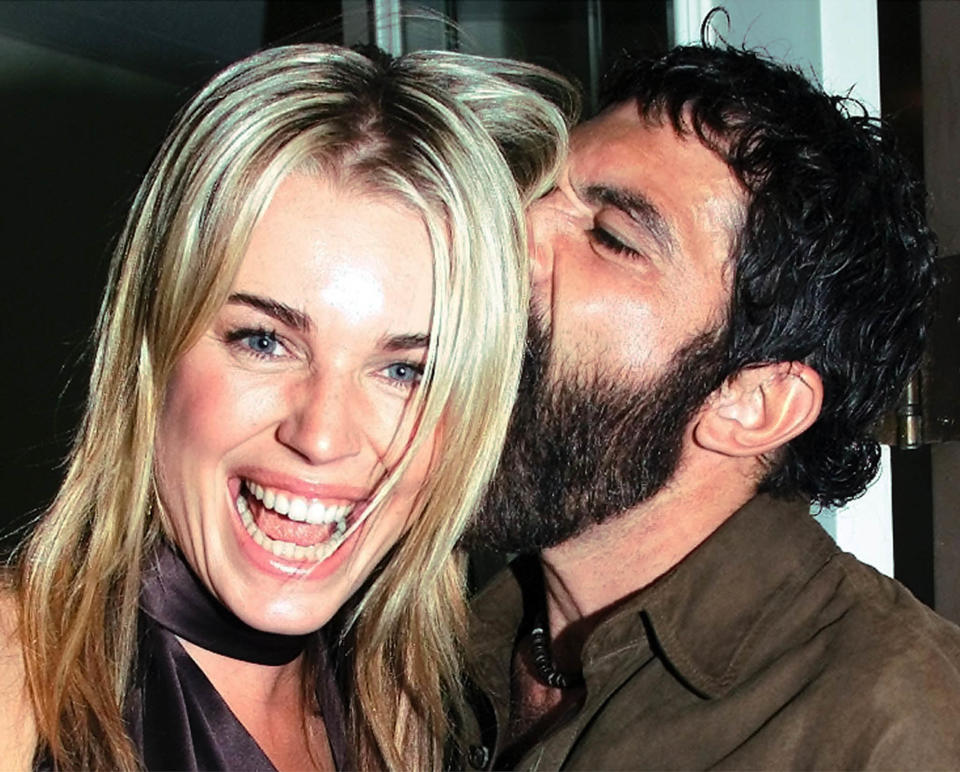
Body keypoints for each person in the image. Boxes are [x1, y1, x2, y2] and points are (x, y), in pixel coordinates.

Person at [0, 44, 575, 771]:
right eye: (264, 340)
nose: (324, 434)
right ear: (153, 349)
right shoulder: (18, 684)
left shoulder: (412, 712)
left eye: (405, 369)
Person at [460, 41, 960, 770]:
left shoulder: (898, 729)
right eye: (531, 198)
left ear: (754, 403)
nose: (512, 238)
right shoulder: (417, 649)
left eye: (611, 237)